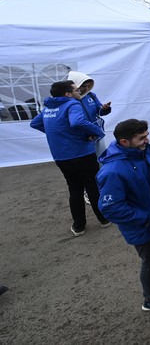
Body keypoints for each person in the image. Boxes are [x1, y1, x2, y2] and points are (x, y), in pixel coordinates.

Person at [96, 119, 150, 312]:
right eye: (142, 137)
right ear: (124, 142)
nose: (147, 140)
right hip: (143, 224)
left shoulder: (140, 154)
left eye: (147, 135)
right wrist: (145, 218)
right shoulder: (113, 171)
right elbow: (110, 207)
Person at [30, 79, 110, 236]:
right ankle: (104, 219)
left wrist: (60, 134)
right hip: (82, 154)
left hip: (61, 157)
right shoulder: (73, 104)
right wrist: (97, 132)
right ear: (68, 94)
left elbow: (35, 123)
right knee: (92, 186)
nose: (79, 92)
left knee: (74, 189)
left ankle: (79, 226)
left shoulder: (49, 108)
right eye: (76, 90)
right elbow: (77, 121)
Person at [67, 70, 112, 155]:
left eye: (88, 86)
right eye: (83, 86)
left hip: (97, 133)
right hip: (81, 136)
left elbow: (99, 111)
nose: (86, 88)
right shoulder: (68, 99)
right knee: (87, 162)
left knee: (101, 158)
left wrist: (105, 108)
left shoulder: (91, 95)